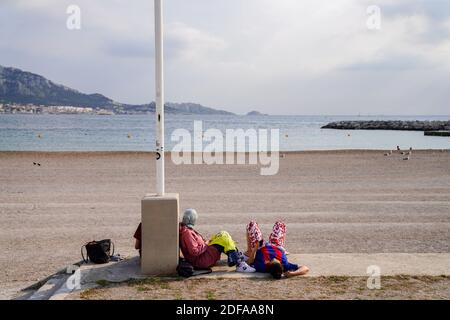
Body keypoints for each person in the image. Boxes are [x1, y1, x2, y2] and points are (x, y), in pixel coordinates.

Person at [179, 208, 255, 273]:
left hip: (203, 255)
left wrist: (208, 241)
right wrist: (206, 244)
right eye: (194, 218)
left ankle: (237, 257)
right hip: (201, 260)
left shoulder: (187, 230)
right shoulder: (187, 233)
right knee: (224, 238)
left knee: (223, 235)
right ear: (190, 219)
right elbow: (194, 251)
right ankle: (239, 262)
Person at [244, 220, 309, 279]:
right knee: (280, 224)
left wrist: (255, 249)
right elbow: (305, 268)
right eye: (279, 261)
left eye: (273, 260)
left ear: (270, 264)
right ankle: (284, 251)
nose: (275, 258)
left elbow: (249, 262)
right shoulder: (285, 265)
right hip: (277, 246)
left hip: (260, 247)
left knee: (252, 224)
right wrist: (293, 273)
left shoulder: (262, 266)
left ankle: (249, 251)